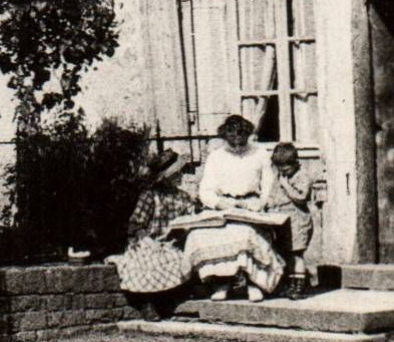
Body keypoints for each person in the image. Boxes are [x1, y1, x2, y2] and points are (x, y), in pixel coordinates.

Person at [182, 114, 285, 301]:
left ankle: (254, 282)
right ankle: (222, 283)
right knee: (199, 235)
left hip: (251, 206)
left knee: (245, 232)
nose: (237, 146)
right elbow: (206, 190)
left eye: (241, 142)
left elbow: (269, 186)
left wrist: (258, 204)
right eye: (232, 142)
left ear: (247, 136)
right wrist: (221, 203)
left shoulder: (260, 154)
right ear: (225, 138)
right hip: (223, 206)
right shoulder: (216, 157)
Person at [111, 149, 196, 318]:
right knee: (147, 261)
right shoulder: (150, 196)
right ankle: (146, 303)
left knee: (177, 258)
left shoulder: (183, 197)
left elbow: (191, 220)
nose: (180, 176)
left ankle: (166, 300)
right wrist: (147, 240)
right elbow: (136, 224)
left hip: (172, 242)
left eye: (180, 172)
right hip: (147, 240)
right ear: (165, 178)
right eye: (176, 173)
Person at [265, 142, 313, 299]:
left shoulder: (303, 176)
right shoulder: (279, 176)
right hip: (282, 223)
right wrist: (268, 204)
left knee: (296, 254)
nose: (282, 172)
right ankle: (290, 284)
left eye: (286, 169)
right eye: (279, 169)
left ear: (295, 163)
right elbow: (273, 194)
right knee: (286, 254)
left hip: (297, 222)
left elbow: (301, 197)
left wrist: (286, 186)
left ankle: (300, 286)